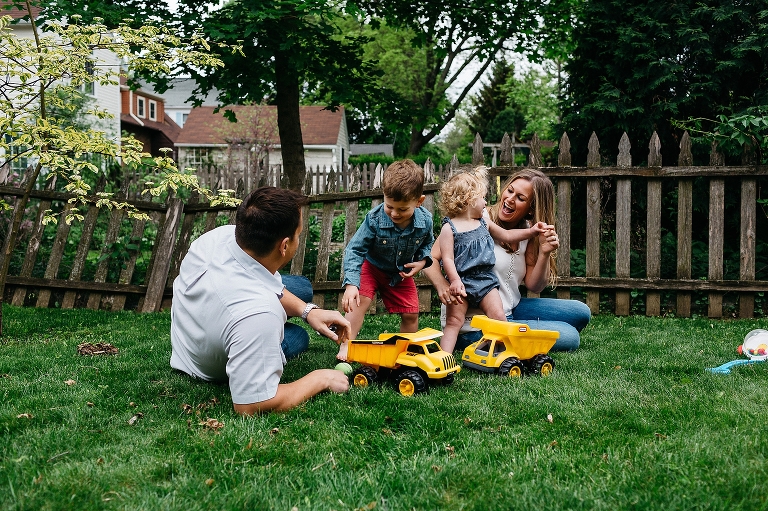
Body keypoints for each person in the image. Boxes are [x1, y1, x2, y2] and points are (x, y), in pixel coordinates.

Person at [170, 186, 351, 415]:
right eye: (299, 234)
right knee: (299, 337)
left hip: (194, 327)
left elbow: (259, 287)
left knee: (303, 289)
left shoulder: (219, 237)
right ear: (284, 246)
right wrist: (320, 378)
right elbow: (250, 405)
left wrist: (309, 312)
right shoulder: (259, 315)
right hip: (205, 361)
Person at [424, 169, 591, 352]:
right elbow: (431, 257)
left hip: (509, 308)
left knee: (581, 312)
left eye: (520, 198)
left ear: (532, 208)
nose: (510, 199)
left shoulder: (528, 231)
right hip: (475, 320)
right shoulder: (473, 219)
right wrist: (443, 285)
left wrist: (544, 253)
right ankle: (500, 338)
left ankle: (515, 329)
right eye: (510, 190)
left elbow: (534, 286)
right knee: (569, 336)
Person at [437, 167, 550, 352]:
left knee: (498, 316)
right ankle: (444, 357)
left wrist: (532, 232)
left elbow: (507, 235)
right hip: (462, 283)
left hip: (485, 281)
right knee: (453, 322)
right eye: (482, 197)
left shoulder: (483, 222)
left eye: (520, 197)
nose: (486, 202)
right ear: (469, 200)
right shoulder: (449, 228)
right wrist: (454, 281)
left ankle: (503, 351)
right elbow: (446, 259)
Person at [339, 159, 435, 356]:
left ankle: (404, 351)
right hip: (371, 268)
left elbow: (428, 243)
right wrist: (351, 285)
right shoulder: (374, 220)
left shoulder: (425, 221)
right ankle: (346, 344)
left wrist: (423, 262)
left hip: (400, 274)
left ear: (419, 202)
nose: (394, 213)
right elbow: (354, 250)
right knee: (359, 302)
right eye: (389, 206)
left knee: (411, 313)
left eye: (402, 209)